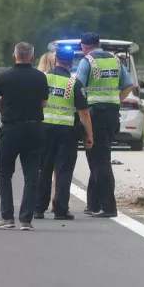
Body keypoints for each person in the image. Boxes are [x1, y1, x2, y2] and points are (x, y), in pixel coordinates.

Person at [0, 42, 48, 230]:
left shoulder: (5, 77)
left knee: (4, 173)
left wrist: (5, 103)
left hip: (11, 129)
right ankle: (26, 220)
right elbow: (44, 103)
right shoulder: (40, 77)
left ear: (14, 56)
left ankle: (7, 217)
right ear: (32, 57)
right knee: (31, 176)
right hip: (34, 129)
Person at [74, 32, 135, 218]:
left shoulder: (88, 62)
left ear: (84, 47)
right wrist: (116, 100)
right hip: (112, 115)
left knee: (100, 161)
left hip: (95, 115)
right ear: (98, 44)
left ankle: (109, 207)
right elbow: (129, 85)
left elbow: (77, 88)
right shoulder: (116, 61)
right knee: (97, 158)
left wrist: (78, 110)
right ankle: (92, 204)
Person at [35, 48, 93, 220]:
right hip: (66, 133)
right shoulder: (74, 84)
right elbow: (84, 113)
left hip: (44, 129)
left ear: (55, 60)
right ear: (72, 62)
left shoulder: (42, 78)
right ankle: (60, 210)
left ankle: (38, 209)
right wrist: (89, 135)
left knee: (43, 169)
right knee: (64, 171)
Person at [35, 50, 59, 211]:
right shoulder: (61, 79)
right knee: (58, 167)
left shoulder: (36, 79)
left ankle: (38, 201)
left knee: (41, 167)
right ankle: (56, 199)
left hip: (40, 125)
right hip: (60, 125)